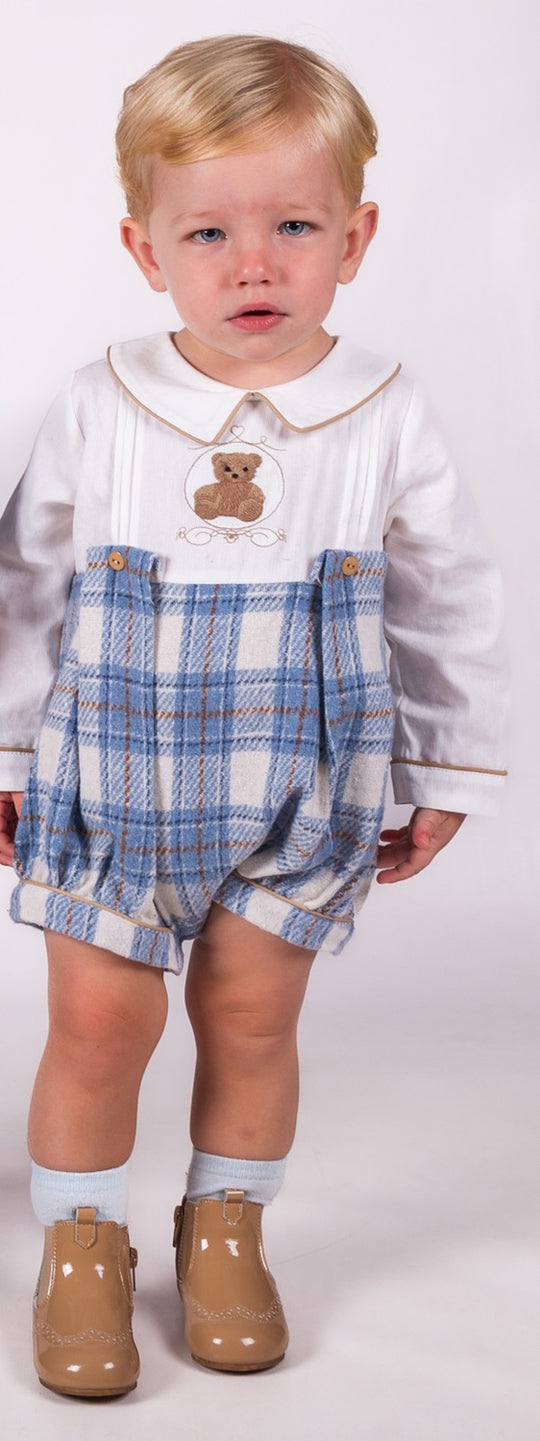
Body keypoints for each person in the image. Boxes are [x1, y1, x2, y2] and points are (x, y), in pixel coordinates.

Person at [0, 34, 506, 1398]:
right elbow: (26, 583)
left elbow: (447, 594)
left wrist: (449, 762)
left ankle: (225, 1226)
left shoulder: (383, 414)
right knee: (98, 1026)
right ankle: (82, 1244)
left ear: (356, 236)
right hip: (112, 783)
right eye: (208, 232)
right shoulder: (104, 404)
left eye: (293, 226)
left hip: (305, 782)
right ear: (143, 248)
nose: (253, 265)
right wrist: (7, 744)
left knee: (252, 1018)